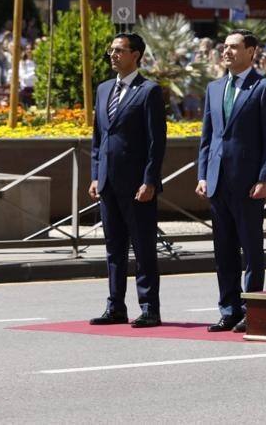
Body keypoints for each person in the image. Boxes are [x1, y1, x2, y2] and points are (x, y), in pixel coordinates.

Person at [196, 30, 266, 332]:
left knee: (251, 250)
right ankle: (229, 309)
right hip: (218, 181)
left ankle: (252, 309)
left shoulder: (263, 88)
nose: (227, 52)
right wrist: (203, 175)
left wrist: (265, 178)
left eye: (234, 47)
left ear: (251, 51)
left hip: (248, 183)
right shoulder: (215, 88)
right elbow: (207, 137)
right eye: (225, 47)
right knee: (224, 251)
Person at [88, 34, 167, 328]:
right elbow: (98, 138)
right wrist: (96, 175)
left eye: (119, 50)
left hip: (137, 187)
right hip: (108, 183)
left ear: (136, 55)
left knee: (144, 248)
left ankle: (149, 308)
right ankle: (115, 306)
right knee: (114, 248)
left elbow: (155, 142)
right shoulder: (104, 89)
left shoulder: (149, 91)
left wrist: (149, 180)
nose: (113, 55)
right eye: (111, 50)